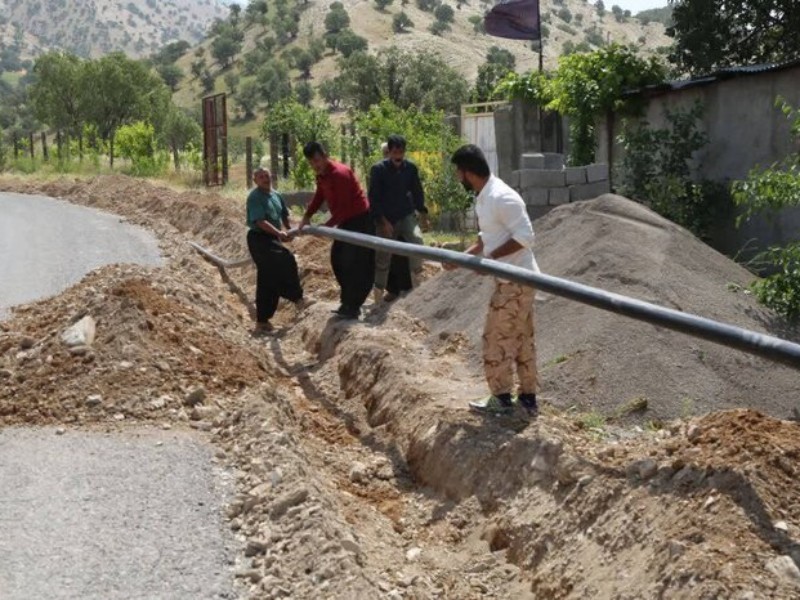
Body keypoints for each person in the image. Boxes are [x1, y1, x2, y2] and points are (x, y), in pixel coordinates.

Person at [444, 144, 540, 419]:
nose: (457, 178)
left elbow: (525, 237)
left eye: (458, 173)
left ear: (468, 172)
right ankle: (528, 399)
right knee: (521, 340)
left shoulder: (502, 197)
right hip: (509, 280)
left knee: (495, 338)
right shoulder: (484, 196)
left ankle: (501, 398)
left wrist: (492, 260)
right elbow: (486, 239)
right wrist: (463, 257)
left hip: (516, 281)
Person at [298, 141, 375, 320]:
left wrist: (327, 227)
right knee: (338, 260)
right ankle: (348, 302)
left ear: (325, 156)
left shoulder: (339, 174)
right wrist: (307, 215)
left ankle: (353, 305)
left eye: (317, 160)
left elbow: (344, 207)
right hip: (346, 221)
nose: (315, 165)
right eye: (311, 163)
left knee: (356, 263)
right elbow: (320, 195)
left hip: (360, 220)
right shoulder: (322, 175)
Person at [246, 168, 308, 334]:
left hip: (271, 238)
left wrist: (289, 230)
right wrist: (279, 233)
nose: (265, 179)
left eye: (267, 175)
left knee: (267, 277)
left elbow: (284, 215)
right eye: (261, 177)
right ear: (255, 181)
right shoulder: (254, 197)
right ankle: (296, 297)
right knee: (286, 258)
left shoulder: (276, 195)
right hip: (259, 239)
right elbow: (260, 222)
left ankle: (262, 321)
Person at [368, 134, 429, 303]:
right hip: (386, 218)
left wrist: (422, 211)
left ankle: (418, 286)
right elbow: (373, 198)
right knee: (383, 256)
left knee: (417, 242)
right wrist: (382, 221)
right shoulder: (378, 170)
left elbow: (417, 191)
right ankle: (378, 297)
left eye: (401, 152)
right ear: (389, 151)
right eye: (395, 152)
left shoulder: (410, 168)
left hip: (405, 214)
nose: (398, 156)